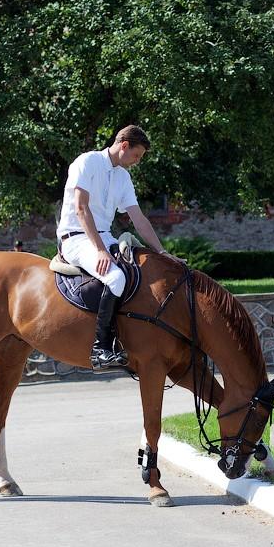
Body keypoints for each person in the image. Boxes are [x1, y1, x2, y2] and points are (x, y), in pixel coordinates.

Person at [57, 125, 184, 372]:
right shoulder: (87, 162)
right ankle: (100, 348)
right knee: (115, 278)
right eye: (136, 155)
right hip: (76, 238)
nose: (137, 162)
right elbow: (81, 209)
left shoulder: (123, 177)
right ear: (124, 145)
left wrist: (162, 252)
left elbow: (139, 219)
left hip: (104, 237)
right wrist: (101, 250)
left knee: (140, 271)